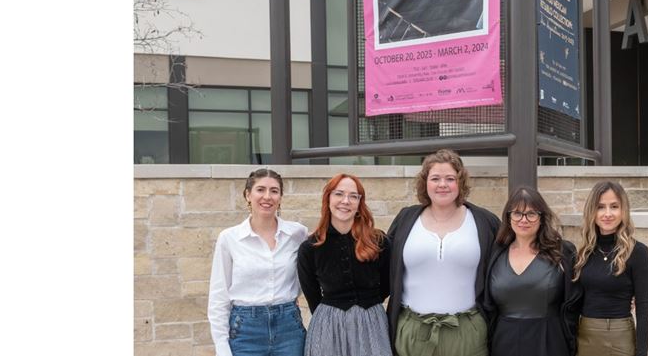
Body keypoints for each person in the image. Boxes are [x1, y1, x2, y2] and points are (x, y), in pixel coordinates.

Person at [386, 149, 500, 356]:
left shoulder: (484, 222)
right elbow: (382, 264)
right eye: (435, 178)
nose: (442, 185)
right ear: (425, 182)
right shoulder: (405, 219)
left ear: (461, 182)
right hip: (413, 331)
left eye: (450, 178)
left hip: (466, 332)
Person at [208, 169, 310, 356]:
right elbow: (218, 297)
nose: (267, 196)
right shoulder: (230, 238)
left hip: (289, 329)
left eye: (274, 191)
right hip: (245, 331)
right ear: (248, 195)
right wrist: (221, 346)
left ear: (280, 197)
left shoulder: (298, 234)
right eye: (260, 190)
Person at [296, 173, 392, 356]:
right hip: (328, 325)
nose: (345, 201)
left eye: (353, 196)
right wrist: (334, 317)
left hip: (371, 322)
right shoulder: (310, 248)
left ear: (359, 203)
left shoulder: (379, 242)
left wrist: (366, 309)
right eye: (339, 194)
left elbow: (388, 284)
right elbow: (312, 295)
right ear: (328, 199)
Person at [482, 186, 580, 356]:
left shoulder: (562, 252)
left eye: (531, 213)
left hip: (549, 340)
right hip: (504, 341)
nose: (524, 219)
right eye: (517, 213)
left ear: (542, 218)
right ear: (508, 217)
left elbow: (585, 290)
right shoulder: (495, 254)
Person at [572, 181, 648, 356]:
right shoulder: (583, 253)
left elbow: (644, 310)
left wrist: (642, 353)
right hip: (585, 336)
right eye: (600, 207)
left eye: (614, 206)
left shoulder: (638, 252)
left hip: (620, 337)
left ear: (623, 210)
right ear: (591, 212)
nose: (607, 214)